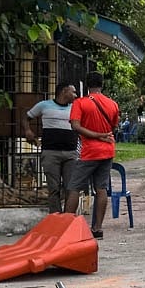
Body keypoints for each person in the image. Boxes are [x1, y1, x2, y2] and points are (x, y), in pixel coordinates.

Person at [64, 72, 119, 240]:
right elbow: (114, 127)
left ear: (86, 85)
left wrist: (94, 135)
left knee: (74, 187)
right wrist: (102, 135)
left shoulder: (80, 103)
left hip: (88, 152)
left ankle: (66, 226)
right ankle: (97, 228)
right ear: (102, 84)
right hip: (107, 151)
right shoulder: (112, 104)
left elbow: (75, 126)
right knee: (101, 188)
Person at [24, 83, 77, 213]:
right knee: (53, 187)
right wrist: (27, 131)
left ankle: (68, 217)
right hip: (50, 152)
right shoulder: (44, 105)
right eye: (73, 92)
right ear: (64, 91)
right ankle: (55, 216)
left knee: (70, 187)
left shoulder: (75, 108)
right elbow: (26, 118)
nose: (75, 95)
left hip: (70, 153)